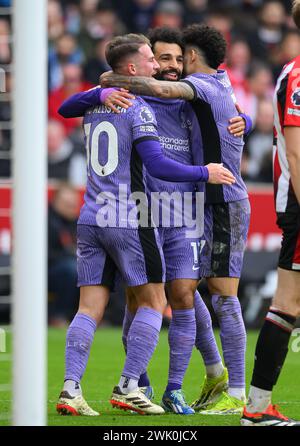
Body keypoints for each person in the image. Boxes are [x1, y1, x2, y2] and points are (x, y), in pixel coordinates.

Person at [60, 26, 249, 415]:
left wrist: (240, 117)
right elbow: (157, 157)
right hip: (139, 214)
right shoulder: (138, 99)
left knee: (180, 294)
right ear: (143, 63)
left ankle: (185, 382)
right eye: (161, 58)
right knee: (146, 301)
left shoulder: (186, 97)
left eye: (179, 59)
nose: (172, 66)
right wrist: (105, 86)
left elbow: (217, 107)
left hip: (174, 213)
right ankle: (137, 384)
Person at [241, 0, 300, 426]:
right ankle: (257, 409)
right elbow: (296, 152)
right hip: (298, 200)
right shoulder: (297, 77)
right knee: (288, 301)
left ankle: (257, 408)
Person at [48, 184, 80, 326]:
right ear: (55, 202)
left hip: (71, 265)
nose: (71, 207)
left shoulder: (78, 222)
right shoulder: (44, 222)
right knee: (71, 269)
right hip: (48, 270)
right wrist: (70, 255)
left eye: (74, 204)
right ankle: (58, 315)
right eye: (67, 204)